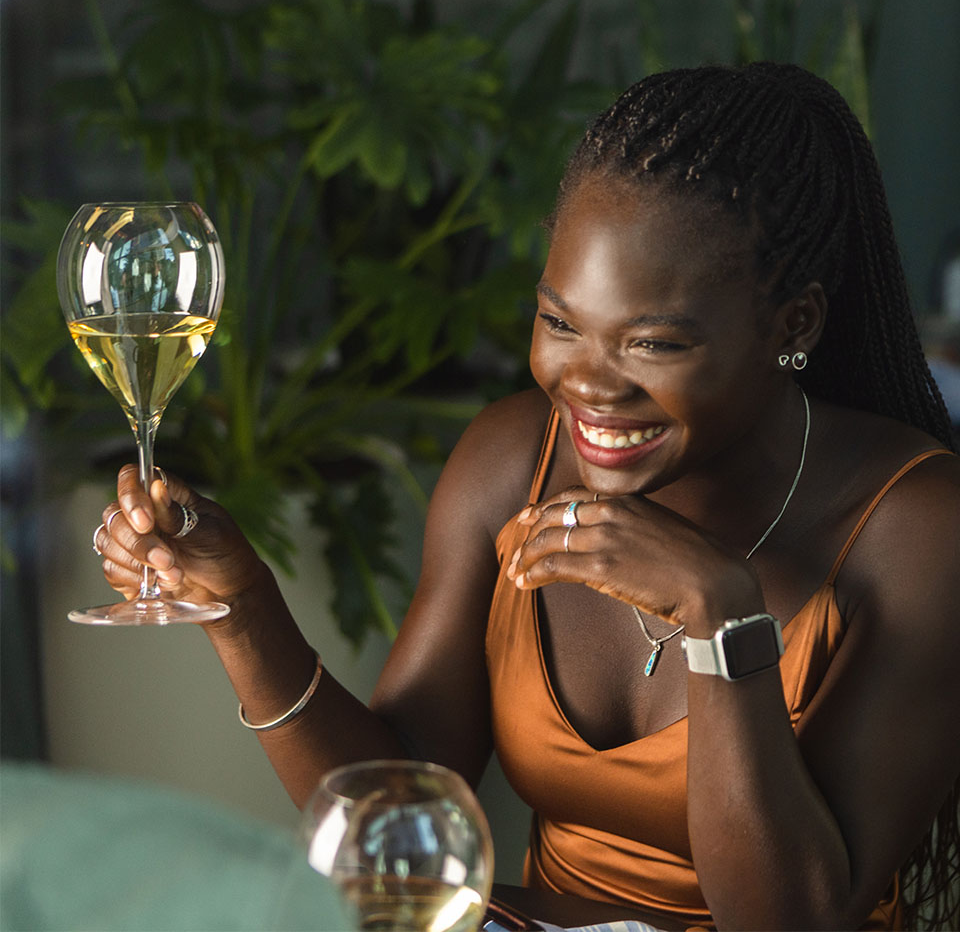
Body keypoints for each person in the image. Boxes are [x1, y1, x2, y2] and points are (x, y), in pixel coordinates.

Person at [93, 63, 960, 931]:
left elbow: (798, 921)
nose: (586, 385)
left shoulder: (917, 530)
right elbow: (398, 817)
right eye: (559, 323)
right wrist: (243, 609)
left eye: (652, 343)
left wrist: (720, 617)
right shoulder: (513, 461)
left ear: (794, 326)